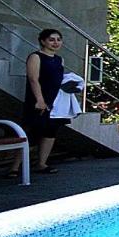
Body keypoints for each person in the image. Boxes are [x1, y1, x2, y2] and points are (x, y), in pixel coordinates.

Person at [22, 28, 69, 174]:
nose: (55, 43)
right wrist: (40, 99)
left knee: (50, 131)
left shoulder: (59, 59)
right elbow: (33, 79)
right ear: (43, 41)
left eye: (58, 39)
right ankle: (15, 167)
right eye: (51, 39)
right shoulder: (36, 57)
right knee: (29, 131)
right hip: (38, 99)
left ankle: (42, 163)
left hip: (54, 100)